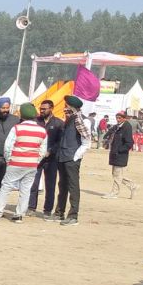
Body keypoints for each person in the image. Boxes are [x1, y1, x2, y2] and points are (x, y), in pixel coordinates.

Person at [0, 103, 48, 222]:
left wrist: (9, 160)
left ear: (22, 115)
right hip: (31, 164)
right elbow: (43, 150)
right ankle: (19, 215)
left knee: (6, 187)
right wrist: (36, 161)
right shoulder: (42, 130)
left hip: (16, 162)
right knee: (25, 190)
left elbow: (8, 146)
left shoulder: (17, 128)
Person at [54, 96, 92, 226]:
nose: (64, 108)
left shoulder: (82, 120)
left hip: (72, 158)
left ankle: (73, 216)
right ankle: (59, 212)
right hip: (63, 156)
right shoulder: (70, 119)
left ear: (71, 107)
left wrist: (76, 157)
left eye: (66, 106)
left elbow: (86, 142)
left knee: (73, 186)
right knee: (62, 185)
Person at [27, 99, 64, 219]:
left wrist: (50, 151)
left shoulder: (58, 123)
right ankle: (31, 207)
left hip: (52, 159)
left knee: (50, 185)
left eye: (44, 109)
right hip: (37, 157)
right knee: (33, 183)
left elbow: (60, 141)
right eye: (41, 109)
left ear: (51, 108)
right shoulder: (36, 121)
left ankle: (47, 209)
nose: (41, 111)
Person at [105, 110, 138, 199]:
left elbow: (129, 143)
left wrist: (120, 150)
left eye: (120, 118)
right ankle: (132, 185)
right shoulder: (117, 127)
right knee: (116, 174)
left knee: (117, 175)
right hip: (115, 154)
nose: (118, 119)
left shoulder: (127, 127)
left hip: (120, 154)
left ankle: (115, 193)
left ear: (124, 118)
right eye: (117, 117)